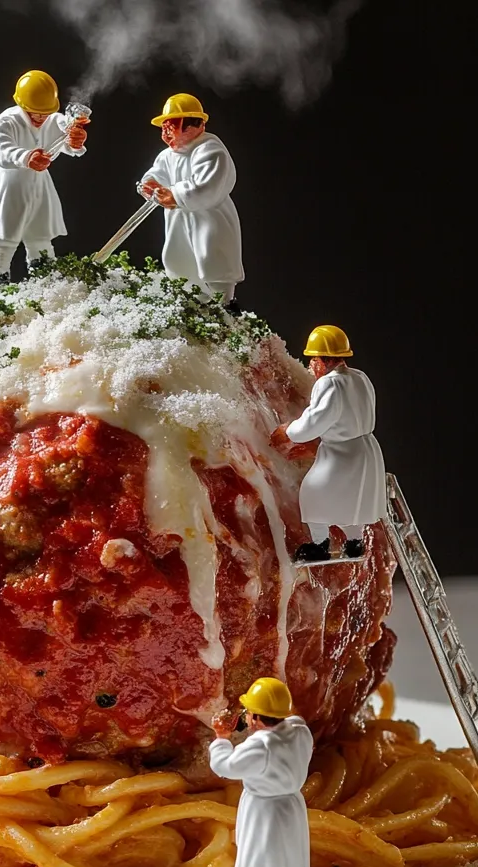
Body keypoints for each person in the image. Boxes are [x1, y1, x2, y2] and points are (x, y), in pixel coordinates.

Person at [270, 325, 387, 562]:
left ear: (324, 360)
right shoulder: (360, 377)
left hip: (341, 452)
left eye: (313, 359)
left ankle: (319, 544)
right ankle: (354, 542)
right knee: (352, 498)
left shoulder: (329, 383)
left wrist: (289, 431)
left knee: (313, 492)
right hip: (365, 449)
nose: (311, 365)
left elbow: (316, 418)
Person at [209, 677, 313, 867]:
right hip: (292, 805)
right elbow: (294, 719)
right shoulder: (300, 731)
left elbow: (226, 767)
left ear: (256, 717)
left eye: (248, 712)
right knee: (290, 858)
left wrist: (221, 738)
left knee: (264, 862)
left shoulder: (261, 745)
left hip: (264, 808)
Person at [0, 70, 90, 286]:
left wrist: (74, 140)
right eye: (35, 112)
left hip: (40, 186)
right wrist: (25, 157)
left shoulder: (52, 119)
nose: (40, 118)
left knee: (40, 233)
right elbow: (0, 148)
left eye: (45, 113)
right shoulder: (6, 122)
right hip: (11, 186)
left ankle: (46, 280)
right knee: (5, 235)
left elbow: (64, 131)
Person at [139, 93, 244, 315]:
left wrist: (175, 194)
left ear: (195, 125)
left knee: (213, 257)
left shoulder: (210, 149)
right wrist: (150, 184)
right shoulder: (167, 155)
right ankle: (192, 307)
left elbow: (208, 184)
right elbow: (158, 173)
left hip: (209, 217)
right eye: (164, 127)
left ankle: (225, 307)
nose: (167, 132)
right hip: (178, 219)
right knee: (179, 260)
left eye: (173, 126)